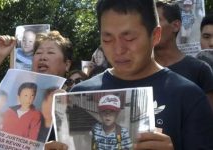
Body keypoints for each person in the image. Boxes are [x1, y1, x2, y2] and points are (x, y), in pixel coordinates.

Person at [69, 0, 213, 149]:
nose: (118, 49)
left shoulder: (188, 96)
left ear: (155, 35)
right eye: (107, 39)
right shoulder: (80, 96)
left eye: (129, 38)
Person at [0, 30, 73, 143]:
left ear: (67, 64)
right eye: (38, 53)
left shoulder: (77, 99)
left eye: (50, 53)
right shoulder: (10, 93)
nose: (43, 57)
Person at [154, 1, 213, 110]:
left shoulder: (200, 70)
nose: (149, 27)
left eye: (156, 21)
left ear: (176, 25)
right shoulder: (136, 69)